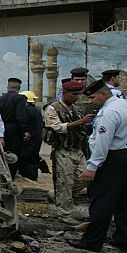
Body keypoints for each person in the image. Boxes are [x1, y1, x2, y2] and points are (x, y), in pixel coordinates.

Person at [66, 80, 127, 253]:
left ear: (104, 94)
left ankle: (92, 240)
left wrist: (92, 166)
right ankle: (124, 240)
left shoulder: (108, 113)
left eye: (92, 97)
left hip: (113, 158)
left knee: (102, 200)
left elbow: (102, 142)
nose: (90, 101)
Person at [44, 80, 96, 220]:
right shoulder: (52, 108)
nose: (77, 97)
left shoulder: (75, 107)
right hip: (64, 150)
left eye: (79, 94)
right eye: (74, 94)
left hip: (78, 149)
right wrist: (80, 121)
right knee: (65, 182)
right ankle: (65, 215)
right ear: (65, 93)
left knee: (85, 178)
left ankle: (58, 195)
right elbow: (57, 127)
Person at [0, 77, 29, 177]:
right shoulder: (20, 99)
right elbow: (21, 117)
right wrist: (24, 131)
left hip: (0, 131)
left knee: (2, 154)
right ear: (18, 88)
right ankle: (10, 177)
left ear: (8, 87)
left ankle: (2, 177)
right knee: (13, 157)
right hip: (14, 132)